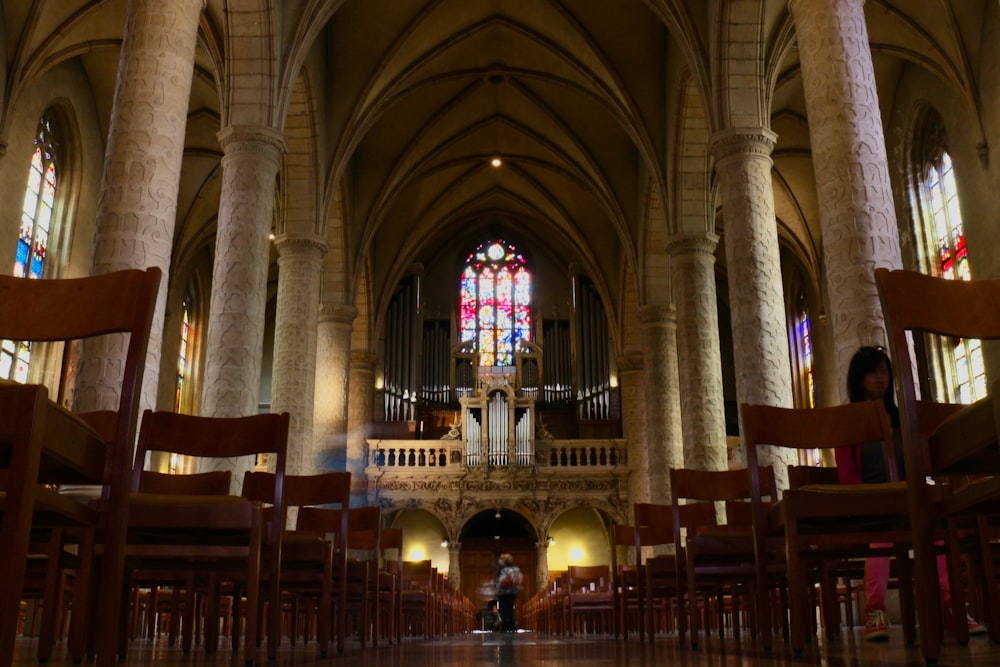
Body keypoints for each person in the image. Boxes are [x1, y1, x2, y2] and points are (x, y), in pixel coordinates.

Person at [836, 345, 985, 642]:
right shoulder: (848, 420)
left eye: (884, 371)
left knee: (939, 532)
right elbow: (847, 474)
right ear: (858, 377)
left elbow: (915, 463)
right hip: (870, 503)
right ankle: (874, 612)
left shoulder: (901, 418)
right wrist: (872, 497)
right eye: (872, 371)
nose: (880, 377)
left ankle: (951, 607)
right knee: (882, 538)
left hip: (906, 496)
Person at [495, 553, 523, 632]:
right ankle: (511, 626)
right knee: (510, 609)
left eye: (501, 559)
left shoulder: (503, 569)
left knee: (503, 610)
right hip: (512, 592)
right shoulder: (515, 568)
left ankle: (505, 626)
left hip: (503, 592)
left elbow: (500, 581)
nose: (499, 561)